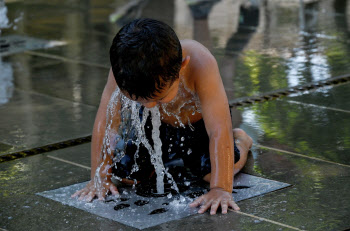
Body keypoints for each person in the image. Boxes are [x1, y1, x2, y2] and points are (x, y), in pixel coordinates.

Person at [72, 18, 252, 215]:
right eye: (139, 100)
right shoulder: (124, 69)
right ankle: (170, 155)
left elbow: (218, 129)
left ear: (182, 67)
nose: (149, 105)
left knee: (211, 174)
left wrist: (220, 188)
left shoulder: (200, 62)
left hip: (197, 127)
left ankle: (241, 140)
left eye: (160, 98)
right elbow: (107, 123)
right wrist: (99, 178)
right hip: (152, 125)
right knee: (126, 176)